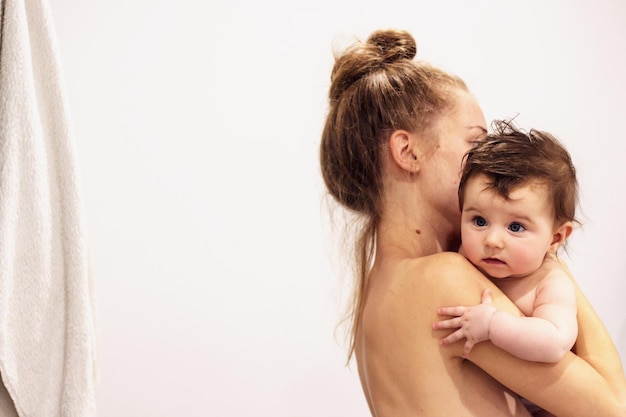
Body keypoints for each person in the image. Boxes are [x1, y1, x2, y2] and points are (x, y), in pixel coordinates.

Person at [319, 28, 626, 416]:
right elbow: (613, 406)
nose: (489, 168)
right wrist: (547, 254)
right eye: (475, 144)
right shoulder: (442, 279)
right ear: (407, 151)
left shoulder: (379, 291)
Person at [433, 123, 580, 417]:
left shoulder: (550, 283)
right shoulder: (462, 260)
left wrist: (493, 326)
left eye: (515, 227)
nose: (492, 240)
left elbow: (554, 342)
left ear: (555, 238)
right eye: (479, 221)